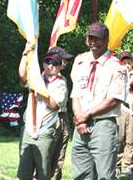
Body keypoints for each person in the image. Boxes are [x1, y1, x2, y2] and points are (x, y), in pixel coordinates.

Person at [71, 22, 127, 180]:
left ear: (107, 39)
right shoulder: (80, 61)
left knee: (104, 175)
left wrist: (87, 114)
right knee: (81, 174)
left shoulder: (117, 67)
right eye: (91, 38)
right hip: (80, 125)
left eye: (98, 38)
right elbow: (75, 94)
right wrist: (80, 120)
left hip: (103, 125)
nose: (93, 42)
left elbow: (113, 100)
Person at [17, 42, 73, 180]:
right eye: (48, 62)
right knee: (27, 165)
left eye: (57, 62)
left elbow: (53, 105)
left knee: (53, 163)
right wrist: (25, 53)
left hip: (55, 121)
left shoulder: (60, 82)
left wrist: (37, 87)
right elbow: (23, 76)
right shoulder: (38, 77)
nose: (50, 65)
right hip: (33, 124)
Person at [50, 54, 71, 180]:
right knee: (46, 154)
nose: (65, 62)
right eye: (63, 60)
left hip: (63, 116)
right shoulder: (43, 78)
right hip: (51, 117)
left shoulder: (61, 78)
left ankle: (55, 177)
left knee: (59, 154)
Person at [115, 51, 133, 177]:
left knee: (130, 140)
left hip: (131, 111)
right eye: (124, 63)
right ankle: (116, 165)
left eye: (129, 63)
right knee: (119, 138)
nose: (127, 65)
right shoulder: (118, 75)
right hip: (121, 109)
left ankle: (129, 165)